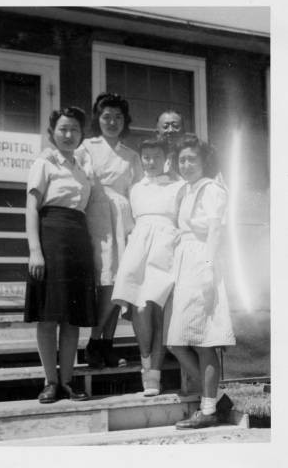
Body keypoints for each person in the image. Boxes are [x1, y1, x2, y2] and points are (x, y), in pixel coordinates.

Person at [24, 107, 97, 404]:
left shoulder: (81, 167)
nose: (69, 135)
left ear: (81, 135)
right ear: (52, 132)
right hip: (50, 237)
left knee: (71, 317)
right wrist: (35, 251)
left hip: (78, 240)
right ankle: (50, 382)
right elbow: (32, 207)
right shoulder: (44, 162)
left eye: (75, 130)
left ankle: (67, 381)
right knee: (48, 315)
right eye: (63, 129)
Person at [163, 133, 236, 429]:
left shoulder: (212, 189)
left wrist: (207, 267)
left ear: (204, 160)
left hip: (203, 263)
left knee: (205, 341)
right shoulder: (188, 189)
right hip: (186, 264)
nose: (187, 163)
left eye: (192, 158)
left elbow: (216, 231)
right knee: (177, 341)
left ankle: (208, 410)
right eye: (181, 159)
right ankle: (214, 401)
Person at [112, 139, 185, 396]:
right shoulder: (135, 189)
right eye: (146, 157)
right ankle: (146, 364)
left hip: (166, 250)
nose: (150, 161)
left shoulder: (178, 186)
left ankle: (154, 374)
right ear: (140, 159)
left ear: (165, 158)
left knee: (157, 309)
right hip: (139, 251)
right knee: (140, 308)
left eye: (156, 156)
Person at [75, 93, 143, 368]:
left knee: (121, 282)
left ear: (124, 121)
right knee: (106, 283)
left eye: (118, 117)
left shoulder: (131, 155)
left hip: (124, 221)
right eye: (106, 117)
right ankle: (94, 340)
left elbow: (138, 190)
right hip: (98, 217)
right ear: (98, 119)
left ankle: (105, 344)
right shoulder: (87, 148)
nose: (112, 122)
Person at [155, 109, 185, 179]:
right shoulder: (149, 159)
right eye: (165, 127)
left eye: (176, 126)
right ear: (157, 133)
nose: (171, 130)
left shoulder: (191, 158)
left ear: (183, 131)